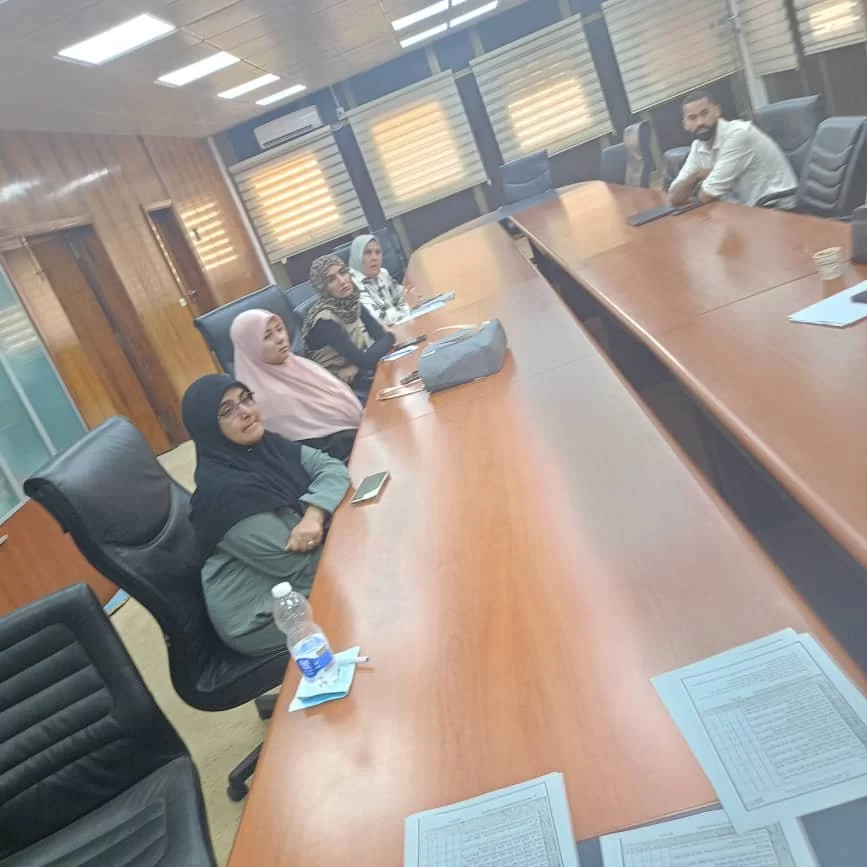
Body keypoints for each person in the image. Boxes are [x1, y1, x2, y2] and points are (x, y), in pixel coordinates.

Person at [182, 374, 350, 657]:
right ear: (208, 428)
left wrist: (314, 514)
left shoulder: (264, 445)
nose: (246, 412)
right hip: (260, 616)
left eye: (246, 399)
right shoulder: (223, 494)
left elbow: (331, 467)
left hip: (302, 578)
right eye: (227, 410)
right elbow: (303, 563)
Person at [230, 309, 362, 462]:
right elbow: (318, 448)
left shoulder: (297, 364)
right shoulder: (262, 399)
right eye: (267, 336)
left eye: (280, 329)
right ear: (250, 347)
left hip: (360, 431)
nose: (280, 338)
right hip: (344, 456)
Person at [668, 90, 796, 208]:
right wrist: (696, 175)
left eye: (705, 113)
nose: (700, 122)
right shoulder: (697, 147)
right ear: (685, 124)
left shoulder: (738, 134)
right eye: (692, 118)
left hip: (777, 207)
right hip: (746, 209)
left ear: (717, 111)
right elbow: (673, 197)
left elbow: (706, 195)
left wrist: (698, 183)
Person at [302, 253, 395, 402]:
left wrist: (358, 366)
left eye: (343, 272)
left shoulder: (351, 302)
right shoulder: (324, 321)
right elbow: (370, 354)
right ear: (323, 288)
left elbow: (379, 336)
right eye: (331, 280)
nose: (342, 281)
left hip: (358, 376)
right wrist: (391, 337)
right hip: (336, 390)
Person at [349, 233, 412, 326]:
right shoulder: (351, 284)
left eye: (378, 252)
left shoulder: (382, 273)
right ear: (356, 256)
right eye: (368, 253)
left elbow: (403, 296)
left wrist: (409, 298)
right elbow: (377, 320)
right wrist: (407, 306)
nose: (374, 258)